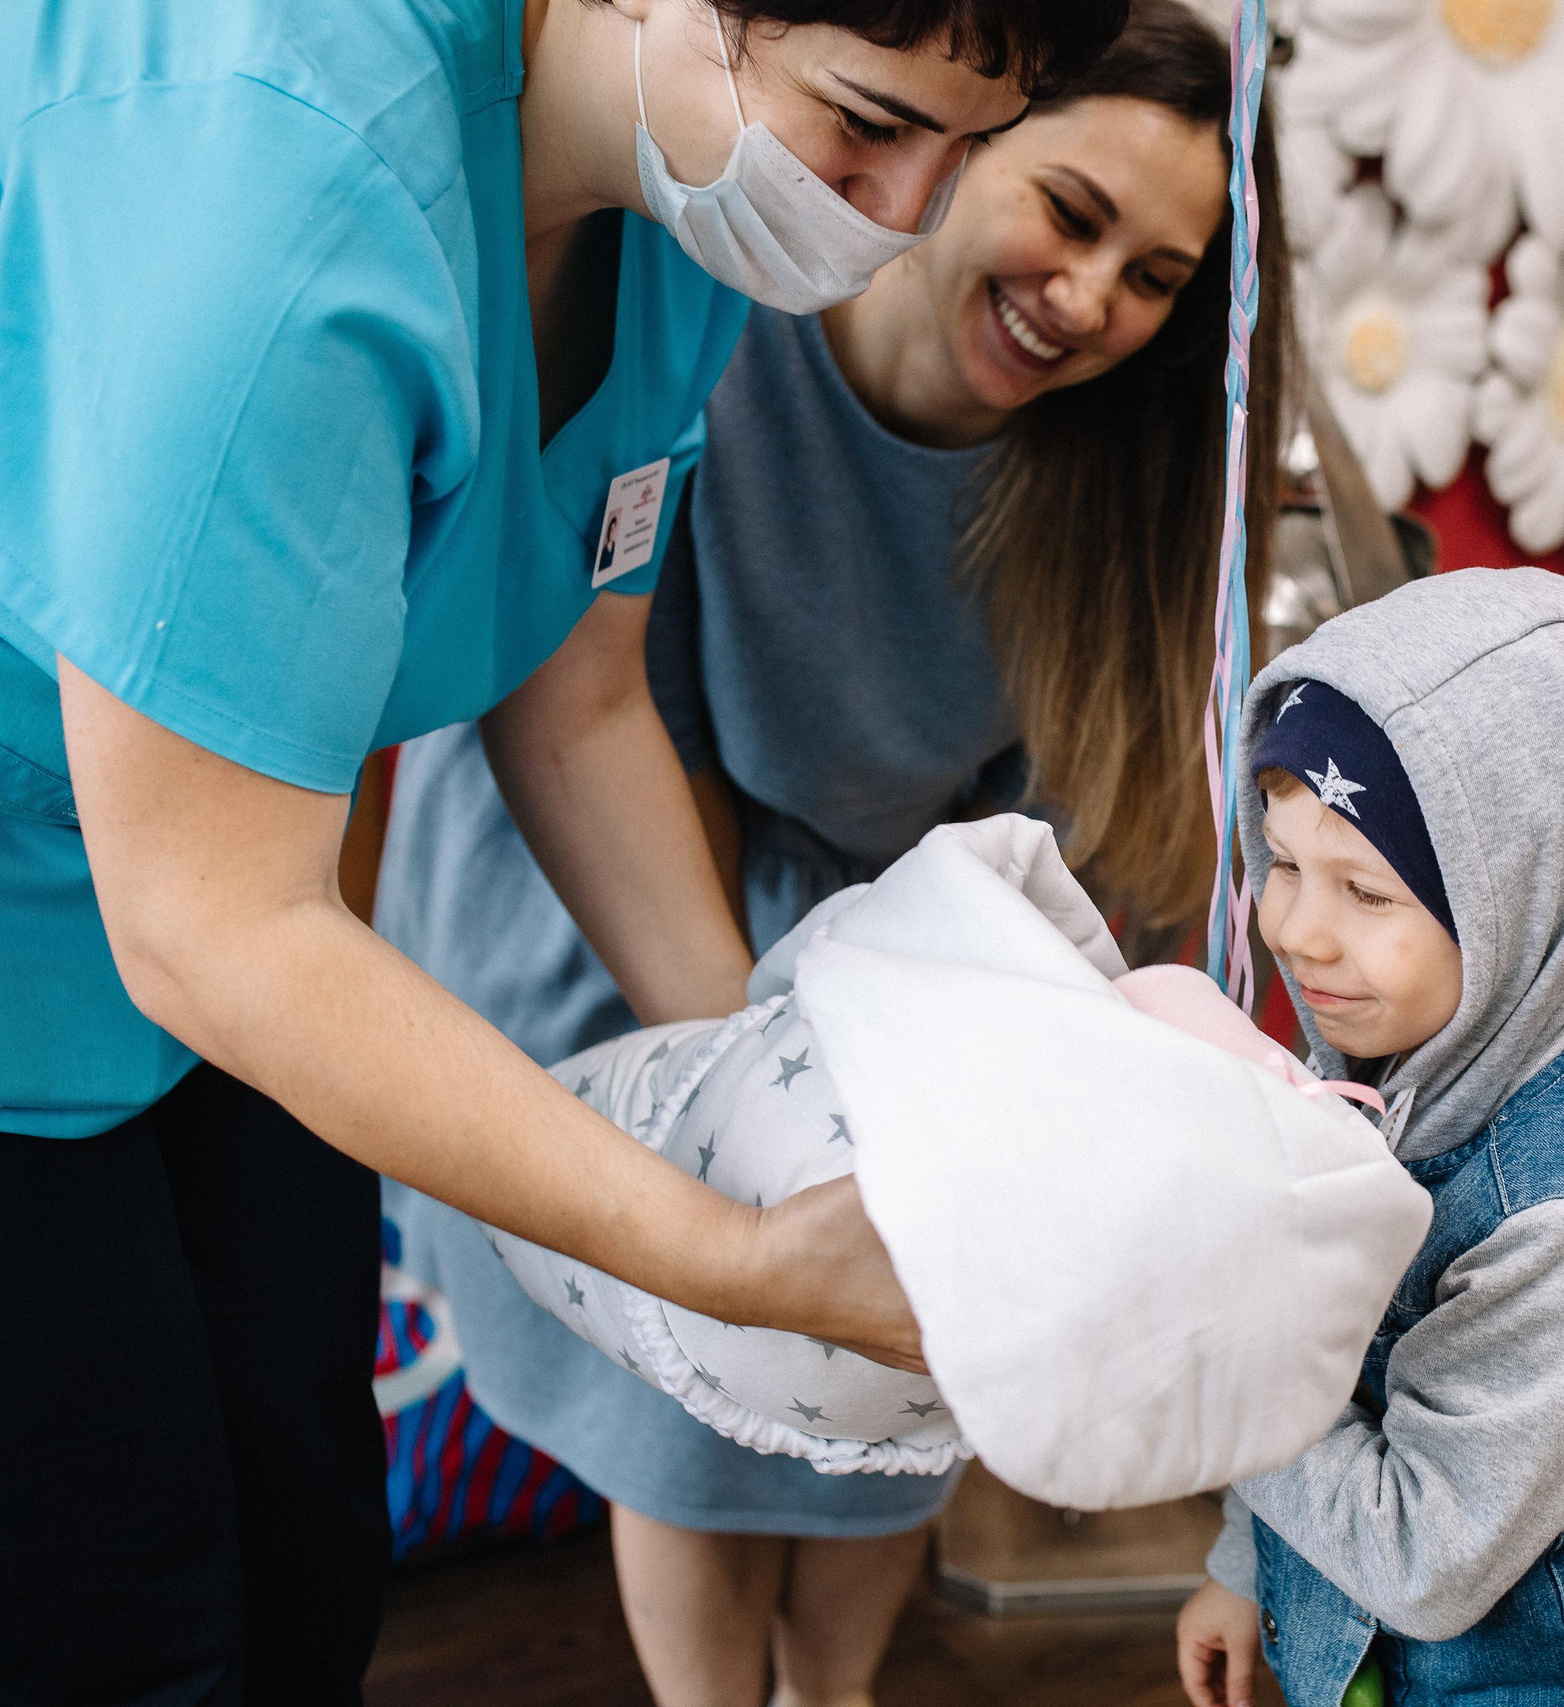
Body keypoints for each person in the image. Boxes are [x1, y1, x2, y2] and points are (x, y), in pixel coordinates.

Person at [0, 0, 1124, 1698]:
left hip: (214, 894)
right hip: (139, 911)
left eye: (967, 147)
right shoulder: (284, 185)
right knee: (122, 1605)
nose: (906, 212)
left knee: (306, 1538)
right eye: (869, 123)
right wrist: (723, 1254)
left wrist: (786, 1086)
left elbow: (579, 693)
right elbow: (212, 925)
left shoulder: (676, 199)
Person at [370, 3, 1289, 1699]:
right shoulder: (731, 307)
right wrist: (779, 1074)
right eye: (1073, 216)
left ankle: (834, 1689)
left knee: (918, 1356)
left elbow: (1067, 836)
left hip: (907, 922)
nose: (1092, 298)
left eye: (1157, 276)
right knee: (707, 1394)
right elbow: (601, 723)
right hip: (626, 886)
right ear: (964, 144)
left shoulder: (1119, 480)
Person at [1172, 569, 1564, 1706]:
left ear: (1517, 904)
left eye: (1366, 894)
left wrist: (1202, 1358)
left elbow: (1423, 1560)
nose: (1295, 928)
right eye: (1281, 863)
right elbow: (1311, 1347)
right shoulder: (1355, 1087)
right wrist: (1243, 1565)